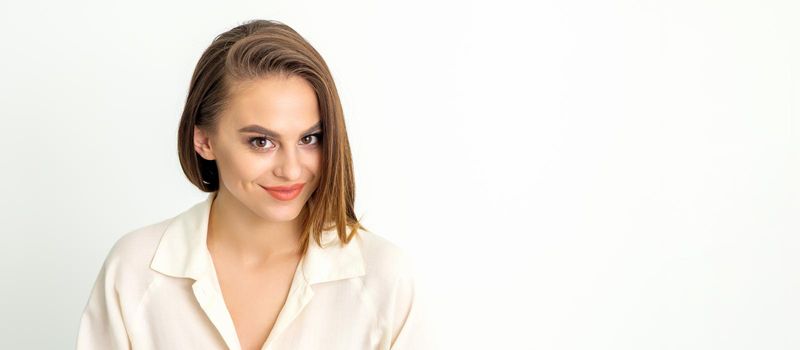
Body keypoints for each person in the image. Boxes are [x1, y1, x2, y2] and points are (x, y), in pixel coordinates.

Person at [76, 19, 433, 350]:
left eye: (310, 138)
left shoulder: (384, 279)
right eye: (262, 142)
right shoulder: (135, 270)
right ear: (205, 141)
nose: (292, 170)